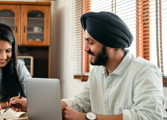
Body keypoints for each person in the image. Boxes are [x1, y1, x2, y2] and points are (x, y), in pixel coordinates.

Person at [9, 12, 167, 120]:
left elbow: (150, 116)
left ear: (111, 45)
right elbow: (81, 102)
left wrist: (87, 118)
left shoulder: (144, 71)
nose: (85, 48)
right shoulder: (97, 71)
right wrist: (35, 106)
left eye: (91, 42)